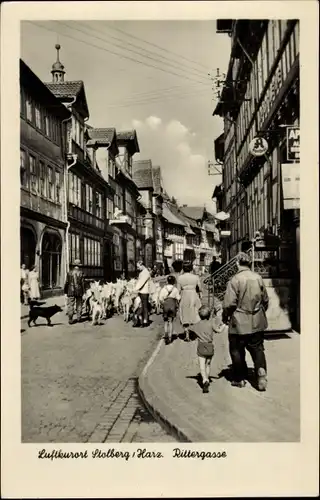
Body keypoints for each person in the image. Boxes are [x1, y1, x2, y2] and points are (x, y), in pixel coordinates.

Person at [222, 252, 269, 391]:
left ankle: (240, 378)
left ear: (237, 264)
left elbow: (229, 304)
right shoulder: (258, 278)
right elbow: (265, 300)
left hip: (239, 322)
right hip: (257, 321)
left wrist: (226, 316)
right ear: (249, 264)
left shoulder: (234, 280)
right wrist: (259, 312)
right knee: (258, 349)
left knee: (236, 350)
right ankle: (260, 372)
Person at [192, 305, 227, 393]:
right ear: (209, 315)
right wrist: (224, 325)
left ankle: (204, 380)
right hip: (209, 346)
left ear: (199, 315)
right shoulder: (211, 323)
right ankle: (207, 377)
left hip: (201, 346)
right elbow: (219, 330)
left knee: (202, 366)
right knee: (208, 364)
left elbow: (189, 328)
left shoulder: (197, 325)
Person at [177, 261, 202, 342]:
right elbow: (200, 288)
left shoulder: (180, 278)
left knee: (185, 314)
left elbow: (178, 290)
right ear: (191, 268)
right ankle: (196, 332)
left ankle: (186, 333)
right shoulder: (196, 277)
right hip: (193, 295)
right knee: (195, 313)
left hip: (184, 295)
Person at [159, 275, 181, 345]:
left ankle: (165, 335)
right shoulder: (175, 289)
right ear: (174, 282)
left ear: (167, 281)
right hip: (172, 306)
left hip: (165, 306)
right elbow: (178, 298)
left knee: (166, 322)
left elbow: (160, 299)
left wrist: (163, 303)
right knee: (171, 322)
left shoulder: (163, 289)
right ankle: (170, 337)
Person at [64, 259, 85, 324]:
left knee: (70, 305)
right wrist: (83, 292)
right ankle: (79, 317)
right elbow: (82, 283)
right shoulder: (81, 273)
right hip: (79, 290)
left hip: (70, 290)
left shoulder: (69, 273)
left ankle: (70, 319)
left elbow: (67, 283)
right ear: (79, 266)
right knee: (79, 304)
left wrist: (65, 291)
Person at [135, 260, 151, 327]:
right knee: (141, 306)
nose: (138, 268)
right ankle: (140, 321)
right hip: (141, 292)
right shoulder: (142, 272)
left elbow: (141, 282)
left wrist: (135, 289)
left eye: (138, 267)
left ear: (142, 265)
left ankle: (145, 321)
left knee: (144, 307)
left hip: (144, 292)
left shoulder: (145, 273)